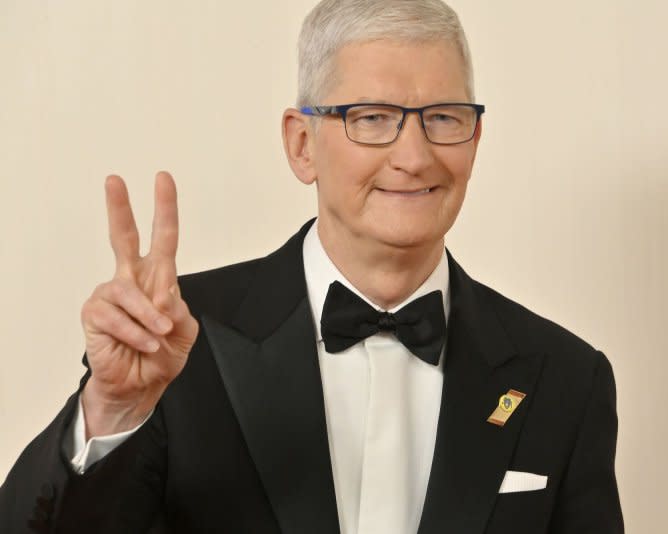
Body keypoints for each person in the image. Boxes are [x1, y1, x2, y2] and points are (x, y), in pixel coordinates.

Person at [0, 0, 624, 532]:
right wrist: (110, 413)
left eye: (442, 118)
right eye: (373, 118)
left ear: (475, 140)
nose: (415, 155)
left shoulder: (566, 379)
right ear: (303, 145)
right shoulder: (176, 340)